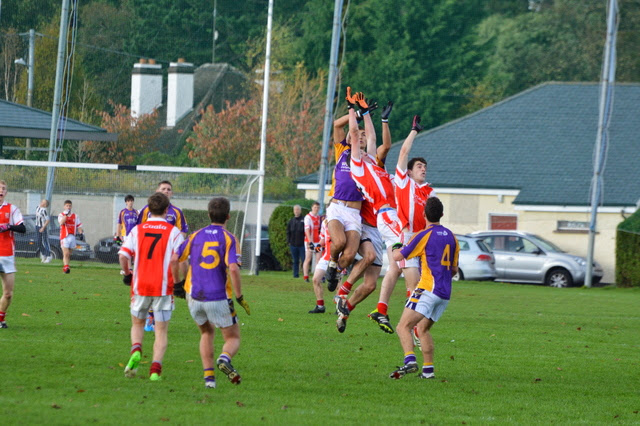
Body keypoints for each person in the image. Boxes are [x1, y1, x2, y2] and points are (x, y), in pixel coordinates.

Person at [171, 197, 251, 388]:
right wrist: (239, 296)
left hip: (194, 295)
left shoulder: (195, 235)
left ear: (208, 215)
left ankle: (209, 381)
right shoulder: (230, 238)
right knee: (232, 337)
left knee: (206, 332)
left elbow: (174, 260)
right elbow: (233, 269)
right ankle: (224, 358)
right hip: (218, 296)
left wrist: (178, 285)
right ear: (228, 216)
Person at [370, 115, 436, 336]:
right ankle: (412, 327)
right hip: (405, 235)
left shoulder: (429, 191)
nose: (423, 169)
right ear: (408, 171)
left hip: (419, 239)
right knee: (414, 283)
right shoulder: (403, 182)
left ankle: (383, 310)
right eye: (419, 166)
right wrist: (414, 131)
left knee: (399, 272)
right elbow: (403, 153)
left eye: (425, 166)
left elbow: (432, 220)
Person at [388, 197, 459, 380]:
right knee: (423, 329)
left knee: (403, 326)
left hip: (428, 289)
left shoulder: (423, 235)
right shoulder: (452, 237)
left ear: (424, 214)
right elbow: (454, 270)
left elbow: (398, 256)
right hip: (445, 293)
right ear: (442, 215)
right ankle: (428, 372)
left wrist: (395, 247)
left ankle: (410, 361)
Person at [119, 192, 185, 381]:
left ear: (148, 209)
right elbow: (178, 260)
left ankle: (136, 349)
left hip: (140, 285)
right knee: (161, 330)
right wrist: (180, 282)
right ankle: (155, 370)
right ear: (166, 210)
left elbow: (123, 256)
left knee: (138, 323)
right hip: (163, 287)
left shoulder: (137, 230)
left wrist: (127, 273)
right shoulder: (173, 232)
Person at [138, 181, 188, 332]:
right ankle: (150, 316)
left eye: (169, 189)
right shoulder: (146, 210)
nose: (166, 191)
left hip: (167, 256)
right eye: (163, 189)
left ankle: (153, 316)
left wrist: (177, 250)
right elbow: (138, 229)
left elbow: (182, 232)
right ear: (157, 191)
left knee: (163, 283)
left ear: (172, 193)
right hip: (149, 256)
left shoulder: (177, 212)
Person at [0, 180, 26, 329]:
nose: (1, 190)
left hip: (6, 255)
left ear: (6, 192)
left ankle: (1, 318)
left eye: (3, 188)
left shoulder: (12, 209)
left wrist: (8, 226)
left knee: (8, 293)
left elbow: (22, 228)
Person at [58, 200, 84, 274]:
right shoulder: (61, 215)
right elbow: (61, 222)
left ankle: (66, 267)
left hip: (72, 237)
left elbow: (79, 226)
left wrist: (81, 233)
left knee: (69, 254)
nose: (68, 207)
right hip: (64, 236)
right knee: (66, 253)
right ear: (64, 206)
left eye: (69, 206)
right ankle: (66, 267)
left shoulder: (75, 216)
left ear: (71, 206)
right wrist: (66, 215)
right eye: (67, 206)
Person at [302, 202, 322, 282]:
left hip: (318, 241)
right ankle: (306, 276)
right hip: (310, 241)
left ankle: (318, 276)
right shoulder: (308, 217)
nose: (316, 209)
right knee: (308, 259)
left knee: (318, 259)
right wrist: (310, 242)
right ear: (312, 208)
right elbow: (307, 230)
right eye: (315, 207)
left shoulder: (318, 217)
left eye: (317, 207)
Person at [286, 205, 305, 279]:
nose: (296, 211)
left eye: (298, 209)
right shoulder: (291, 221)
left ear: (300, 211)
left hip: (302, 244)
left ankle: (305, 274)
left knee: (304, 260)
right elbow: (288, 232)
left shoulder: (304, 220)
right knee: (295, 260)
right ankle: (295, 274)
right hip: (293, 244)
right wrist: (289, 242)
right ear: (293, 211)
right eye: (295, 210)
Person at [35, 199, 52, 263]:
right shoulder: (37, 207)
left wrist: (43, 227)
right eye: (41, 201)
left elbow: (47, 220)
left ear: (45, 205)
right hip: (37, 226)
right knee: (39, 242)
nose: (41, 202)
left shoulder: (44, 211)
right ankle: (44, 254)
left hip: (43, 227)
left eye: (43, 202)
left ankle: (48, 256)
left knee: (45, 241)